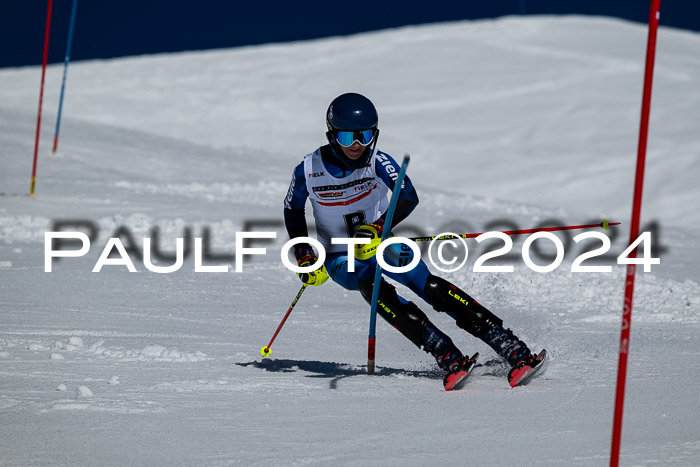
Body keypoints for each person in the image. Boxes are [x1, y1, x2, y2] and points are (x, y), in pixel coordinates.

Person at [283, 92, 544, 389]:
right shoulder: (308, 170)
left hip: (379, 242)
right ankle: (444, 352)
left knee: (427, 285)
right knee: (373, 289)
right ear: (331, 135)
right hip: (339, 256)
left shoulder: (379, 161)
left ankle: (509, 345)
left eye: (365, 135)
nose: (357, 145)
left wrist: (379, 228)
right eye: (346, 137)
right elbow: (292, 210)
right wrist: (305, 255)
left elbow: (408, 196)